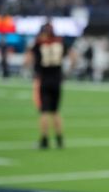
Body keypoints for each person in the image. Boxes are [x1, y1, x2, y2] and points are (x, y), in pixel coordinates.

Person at [24, 20, 76, 149]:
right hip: (57, 79)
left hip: (44, 79)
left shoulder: (38, 43)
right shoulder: (60, 41)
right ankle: (59, 140)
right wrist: (67, 72)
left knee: (44, 112)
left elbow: (27, 60)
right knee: (56, 111)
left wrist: (32, 70)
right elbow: (74, 58)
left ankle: (44, 140)